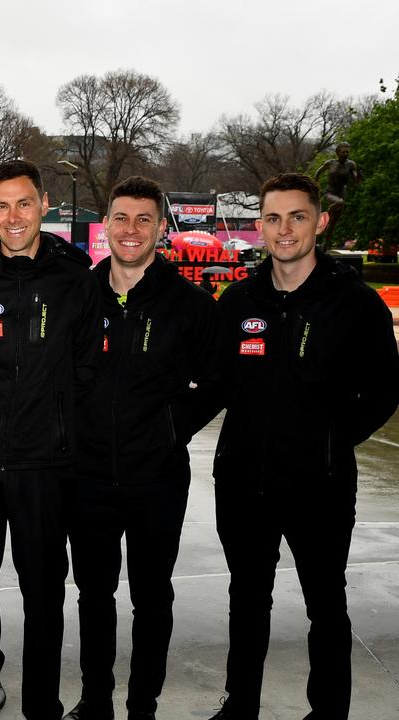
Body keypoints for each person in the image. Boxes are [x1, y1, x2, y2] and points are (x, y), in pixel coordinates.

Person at [208, 172, 399, 719]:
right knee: (246, 603)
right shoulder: (237, 299)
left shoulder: (356, 304)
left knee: (326, 606)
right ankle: (239, 705)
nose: (284, 229)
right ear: (260, 226)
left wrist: (331, 440)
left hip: (321, 485)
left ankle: (329, 710)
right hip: (244, 484)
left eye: (296, 216)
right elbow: (213, 384)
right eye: (272, 217)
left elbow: (385, 390)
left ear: (321, 220)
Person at [0, 159, 102, 720]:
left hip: (44, 465)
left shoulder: (76, 275)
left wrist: (56, 427)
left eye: (24, 203)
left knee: (44, 596)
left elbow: (86, 369)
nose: (13, 216)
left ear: (44, 204)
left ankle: (42, 707)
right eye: (2, 205)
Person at [64, 176, 226, 720]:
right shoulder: (78, 296)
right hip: (87, 477)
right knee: (93, 596)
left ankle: (142, 704)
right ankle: (95, 700)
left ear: (160, 227)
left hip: (156, 479)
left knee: (152, 598)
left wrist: (170, 428)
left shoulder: (190, 304)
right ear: (105, 225)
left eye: (143, 220)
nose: (130, 230)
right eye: (121, 219)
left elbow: (219, 378)